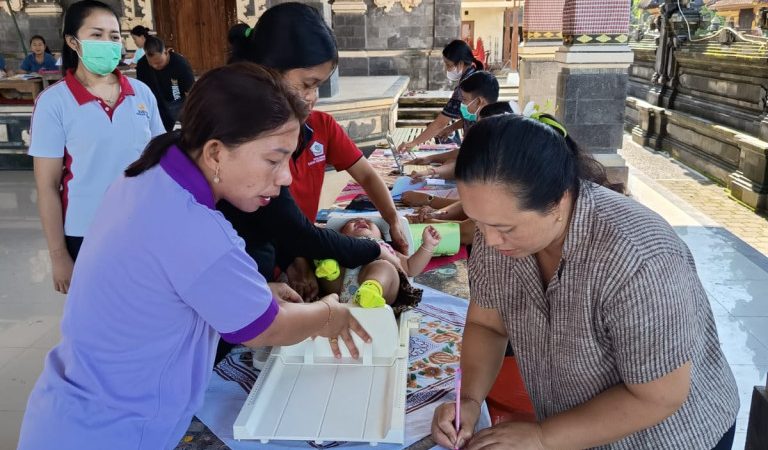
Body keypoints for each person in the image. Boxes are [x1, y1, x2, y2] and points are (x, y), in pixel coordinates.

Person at [18, 62, 371, 450]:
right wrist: (329, 315)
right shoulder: (194, 226)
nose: (286, 177)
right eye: (274, 159)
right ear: (216, 152)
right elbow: (265, 329)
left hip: (66, 413)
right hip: (113, 431)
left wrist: (258, 289)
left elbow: (165, 282)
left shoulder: (147, 177)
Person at [430, 114, 740, 450]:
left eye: (505, 228)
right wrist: (470, 401)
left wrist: (541, 436)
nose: (489, 241)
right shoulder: (499, 236)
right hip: (574, 427)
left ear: (559, 200)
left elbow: (659, 397)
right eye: (479, 223)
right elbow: (488, 325)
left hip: (670, 436)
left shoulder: (638, 259)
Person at [225, 3, 408, 297]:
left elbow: (284, 223)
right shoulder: (243, 133)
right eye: (308, 84)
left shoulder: (301, 126)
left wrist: (391, 220)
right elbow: (288, 227)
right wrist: (373, 249)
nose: (285, 178)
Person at [29, 0, 164, 294]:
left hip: (143, 227)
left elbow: (161, 164)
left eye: (114, 37)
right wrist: (59, 256)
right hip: (85, 232)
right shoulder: (54, 103)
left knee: (146, 309)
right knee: (99, 319)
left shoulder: (141, 93)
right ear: (72, 41)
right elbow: (47, 187)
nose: (108, 43)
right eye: (97, 35)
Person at [317, 219, 441, 311]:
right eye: (352, 222)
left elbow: (410, 267)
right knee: (329, 259)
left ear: (381, 236)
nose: (361, 220)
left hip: (380, 292)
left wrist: (428, 245)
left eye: (369, 222)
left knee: (384, 267)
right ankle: (329, 271)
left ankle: (372, 289)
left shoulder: (386, 248)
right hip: (337, 289)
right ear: (341, 235)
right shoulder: (342, 245)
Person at [408, 71, 499, 181]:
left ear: (479, 101)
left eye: (465, 100)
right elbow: (466, 152)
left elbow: (465, 165)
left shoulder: (491, 129)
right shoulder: (484, 122)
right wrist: (430, 159)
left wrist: (431, 173)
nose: (462, 105)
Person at [397, 40, 483, 152]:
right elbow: (471, 116)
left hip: (477, 146)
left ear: (460, 63)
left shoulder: (466, 86)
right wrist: (450, 128)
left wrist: (413, 143)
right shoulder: (479, 77)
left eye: (448, 65)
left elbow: (440, 123)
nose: (446, 69)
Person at [136, 35, 195, 131]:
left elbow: (191, 91)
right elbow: (141, 90)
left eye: (159, 62)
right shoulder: (142, 65)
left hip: (179, 101)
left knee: (190, 131)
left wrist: (192, 112)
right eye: (152, 63)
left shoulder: (180, 63)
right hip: (157, 104)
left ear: (166, 52)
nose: (155, 66)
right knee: (162, 134)